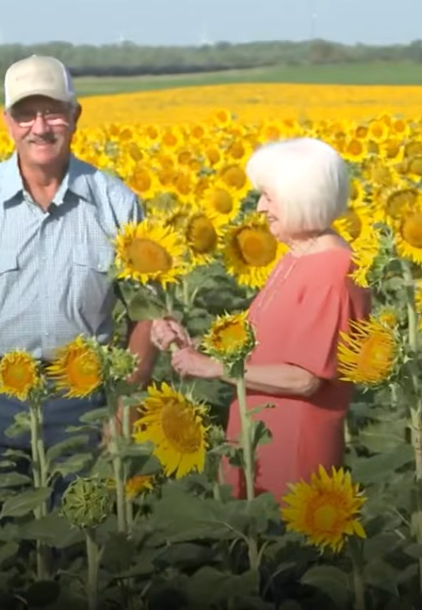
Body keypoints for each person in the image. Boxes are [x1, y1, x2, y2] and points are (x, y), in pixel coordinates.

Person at [0, 54, 156, 506]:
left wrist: (125, 405)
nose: (39, 127)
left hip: (78, 399)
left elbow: (146, 317)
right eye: (25, 114)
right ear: (8, 122)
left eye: (52, 111)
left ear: (75, 116)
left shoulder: (116, 203)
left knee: (74, 547)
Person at [151, 137, 370, 502]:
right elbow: (263, 346)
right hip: (260, 443)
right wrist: (192, 345)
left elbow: (304, 378)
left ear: (304, 198)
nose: (261, 206)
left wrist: (212, 367)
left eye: (270, 196)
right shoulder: (295, 259)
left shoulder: (333, 270)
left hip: (294, 456)